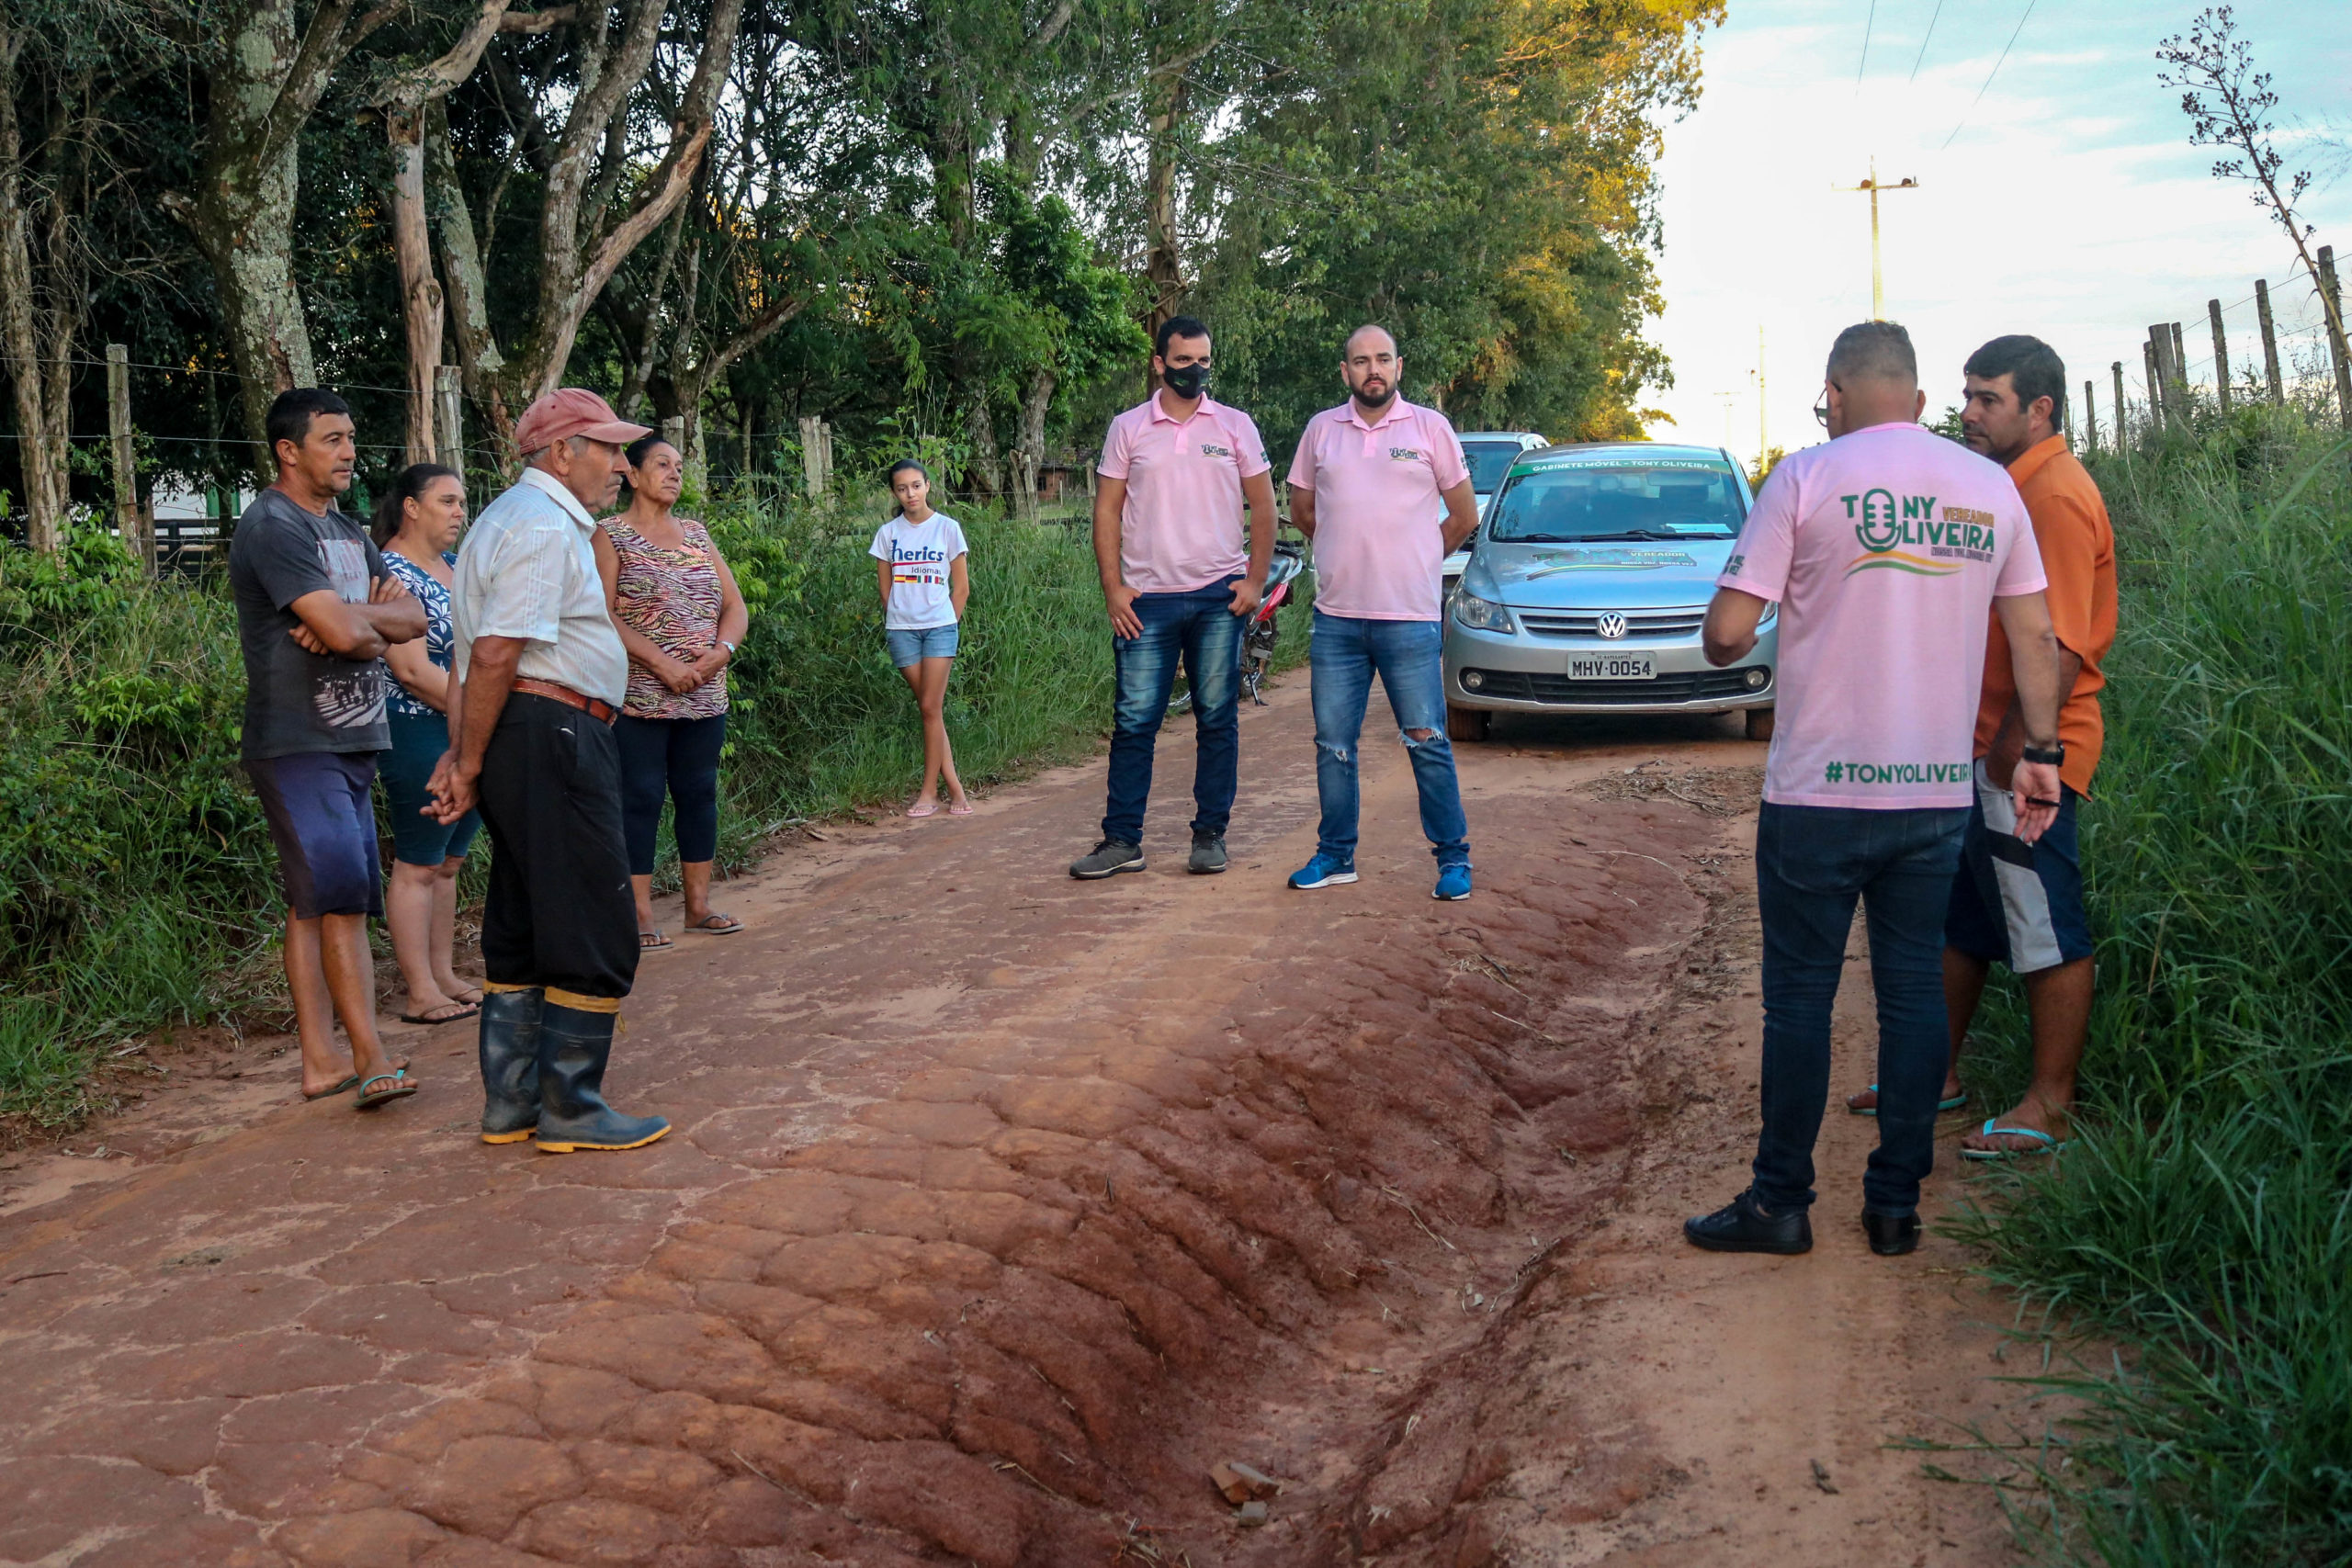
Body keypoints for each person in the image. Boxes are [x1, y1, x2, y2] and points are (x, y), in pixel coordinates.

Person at [1682, 321, 2066, 1260]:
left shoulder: (1806, 477)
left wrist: (1740, 614)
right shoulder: (1988, 489)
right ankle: (1894, 1208)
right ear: (1923, 402)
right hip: (1933, 796)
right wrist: (2041, 755)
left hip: (1817, 794)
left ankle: (1780, 1202)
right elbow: (2035, 639)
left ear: (1836, 395)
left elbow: (1728, 634)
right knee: (1910, 998)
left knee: (1800, 1002)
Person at [1844, 335, 2116, 1160]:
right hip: (1981, 748)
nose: (1968, 414)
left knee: (2044, 925)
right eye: (1966, 396)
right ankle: (1936, 1076)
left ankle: (2051, 1105)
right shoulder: (2009, 486)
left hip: (2028, 755)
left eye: (1987, 399)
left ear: (2040, 409)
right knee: (1962, 921)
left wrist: (2018, 753)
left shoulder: (2055, 496)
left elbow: (2059, 646)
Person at [427, 389, 669, 1154]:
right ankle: (571, 1104)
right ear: (563, 451)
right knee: (594, 910)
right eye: (608, 448)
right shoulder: (540, 526)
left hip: (521, 731)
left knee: (526, 915)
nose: (620, 465)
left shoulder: (503, 522)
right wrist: (465, 758)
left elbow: (472, 657)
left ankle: (513, 1101)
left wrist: (465, 753)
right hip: (554, 730)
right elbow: (497, 651)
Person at [229, 388, 425, 1110]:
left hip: (354, 735)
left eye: (350, 437)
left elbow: (407, 617)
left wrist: (354, 616)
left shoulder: (345, 529)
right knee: (342, 888)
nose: (349, 451)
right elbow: (356, 634)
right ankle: (370, 1054)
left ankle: (319, 1059)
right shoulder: (272, 525)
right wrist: (360, 623)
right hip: (297, 739)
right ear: (289, 450)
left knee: (317, 897)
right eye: (332, 439)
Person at [1069, 315, 1278, 879]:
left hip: (1218, 597)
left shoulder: (1235, 425)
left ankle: (1210, 836)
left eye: (1203, 360)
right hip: (1147, 601)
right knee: (1135, 721)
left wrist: (1254, 582)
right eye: (1183, 361)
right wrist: (1113, 589)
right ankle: (1122, 842)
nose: (1195, 370)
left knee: (1216, 719)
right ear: (1159, 363)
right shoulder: (1128, 427)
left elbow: (1264, 505)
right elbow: (1107, 510)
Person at [1283, 325, 1481, 899]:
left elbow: (1463, 515)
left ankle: (1453, 860)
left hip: (1409, 619)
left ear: (1399, 367)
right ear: (1345, 371)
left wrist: (1417, 557)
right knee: (1333, 746)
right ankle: (1335, 856)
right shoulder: (1322, 430)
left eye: (1383, 359)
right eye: (1361, 361)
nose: (1373, 369)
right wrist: (1345, 548)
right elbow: (1302, 507)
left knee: (1427, 740)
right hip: (1337, 621)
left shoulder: (1430, 428)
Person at [594, 434, 751, 947]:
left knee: (698, 793)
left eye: (679, 465)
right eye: (662, 464)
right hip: (639, 695)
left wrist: (720, 653)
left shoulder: (698, 535)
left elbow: (736, 606)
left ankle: (698, 907)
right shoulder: (610, 535)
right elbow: (602, 612)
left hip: (705, 693)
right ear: (632, 475)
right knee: (639, 797)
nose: (674, 473)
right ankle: (638, 914)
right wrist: (660, 662)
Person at [372, 463, 485, 1026]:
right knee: (419, 860)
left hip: (463, 728)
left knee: (450, 861)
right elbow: (412, 671)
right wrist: (478, 714)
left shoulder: (455, 567)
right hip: (416, 726)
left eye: (462, 502)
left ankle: (442, 974)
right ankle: (418, 989)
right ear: (411, 507)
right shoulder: (389, 572)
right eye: (447, 501)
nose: (459, 512)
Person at [868, 458, 972, 818]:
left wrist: (946, 623)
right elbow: (886, 590)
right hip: (902, 632)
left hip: (941, 628)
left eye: (916, 485)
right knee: (931, 709)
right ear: (894, 493)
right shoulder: (888, 534)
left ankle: (929, 793)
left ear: (928, 485)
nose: (910, 493)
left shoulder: (947, 528)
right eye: (901, 488)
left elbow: (961, 588)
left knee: (929, 707)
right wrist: (901, 617)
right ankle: (955, 787)